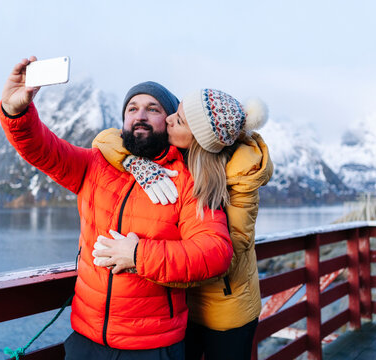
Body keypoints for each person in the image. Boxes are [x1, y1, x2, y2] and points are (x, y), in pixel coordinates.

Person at [0, 56, 233, 360]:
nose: (140, 115)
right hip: (86, 339)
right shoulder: (95, 164)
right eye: (132, 109)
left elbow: (215, 252)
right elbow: (41, 148)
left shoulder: (187, 179)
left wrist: (138, 255)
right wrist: (15, 110)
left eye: (153, 108)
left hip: (152, 346)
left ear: (170, 119)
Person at [92, 88, 273, 360]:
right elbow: (106, 138)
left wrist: (139, 257)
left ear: (199, 139)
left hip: (227, 313)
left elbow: (225, 257)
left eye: (179, 120)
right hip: (183, 308)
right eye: (175, 112)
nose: (168, 120)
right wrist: (133, 161)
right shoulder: (181, 154)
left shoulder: (240, 180)